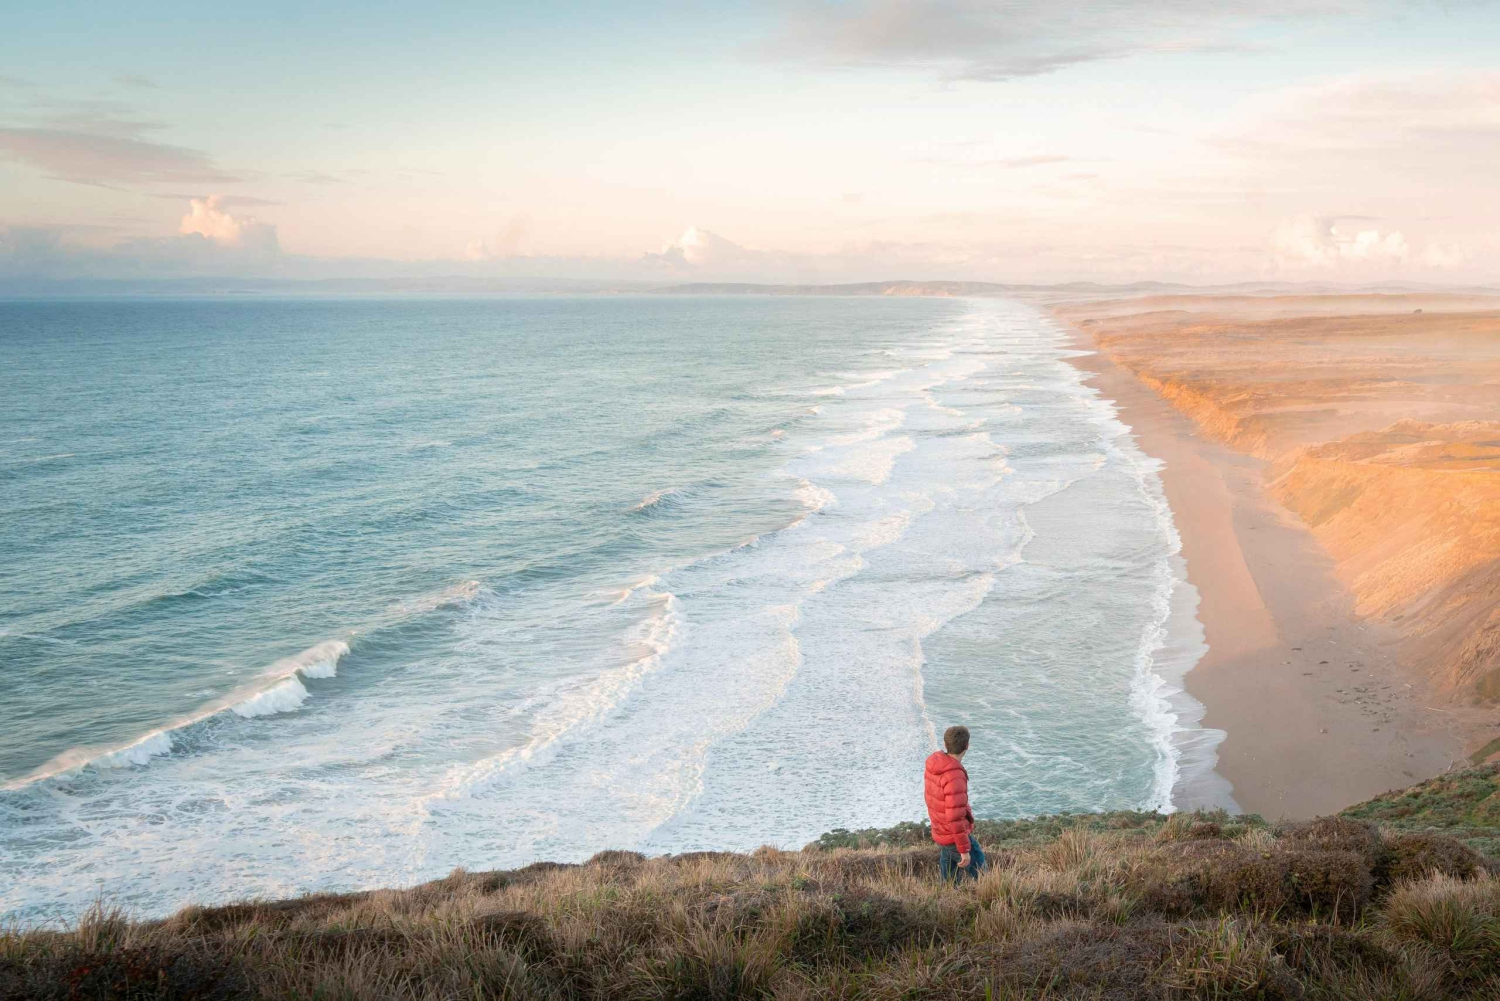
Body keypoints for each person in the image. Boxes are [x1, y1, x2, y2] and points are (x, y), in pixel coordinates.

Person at [924, 725, 986, 882]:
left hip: (940, 829)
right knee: (983, 874)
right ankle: (993, 900)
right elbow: (954, 816)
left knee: (949, 879)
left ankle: (946, 900)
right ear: (967, 746)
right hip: (952, 835)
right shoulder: (954, 775)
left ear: (945, 745)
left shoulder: (934, 765)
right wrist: (964, 849)